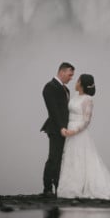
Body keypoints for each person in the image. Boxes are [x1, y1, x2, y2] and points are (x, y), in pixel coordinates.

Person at [41, 62, 75, 198]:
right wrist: (61, 127)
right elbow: (53, 110)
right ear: (62, 72)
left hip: (65, 128)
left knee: (61, 158)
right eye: (70, 74)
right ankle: (47, 188)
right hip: (55, 129)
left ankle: (58, 187)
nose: (71, 78)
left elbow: (66, 111)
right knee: (53, 158)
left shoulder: (66, 90)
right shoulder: (49, 87)